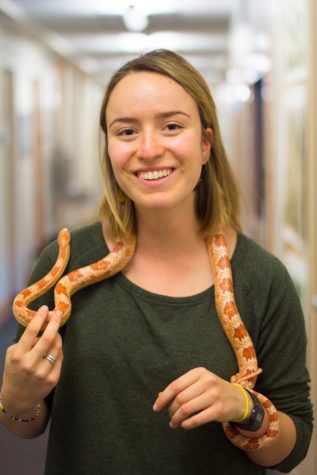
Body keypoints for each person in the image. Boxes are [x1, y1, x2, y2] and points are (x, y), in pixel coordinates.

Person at [0, 50, 313, 474]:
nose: (148, 149)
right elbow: (26, 427)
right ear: (110, 148)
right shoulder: (65, 261)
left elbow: (292, 448)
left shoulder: (262, 278)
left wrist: (245, 407)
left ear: (205, 144)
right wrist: (17, 399)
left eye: (171, 126)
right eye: (126, 131)